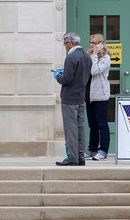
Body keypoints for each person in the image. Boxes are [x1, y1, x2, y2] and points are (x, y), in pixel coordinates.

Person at [54, 32, 92, 166]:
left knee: (70, 129)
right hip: (80, 96)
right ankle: (80, 156)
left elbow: (67, 79)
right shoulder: (87, 57)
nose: (65, 47)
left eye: (65, 44)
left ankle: (72, 157)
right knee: (80, 128)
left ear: (70, 43)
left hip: (69, 97)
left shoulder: (71, 57)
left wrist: (58, 76)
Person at [84, 33, 111, 161]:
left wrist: (94, 55)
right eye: (90, 42)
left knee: (102, 124)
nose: (91, 45)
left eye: (94, 43)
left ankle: (103, 150)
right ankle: (92, 148)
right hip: (89, 95)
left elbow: (95, 71)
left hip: (100, 96)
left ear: (100, 44)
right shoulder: (89, 56)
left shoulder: (106, 58)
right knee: (92, 124)